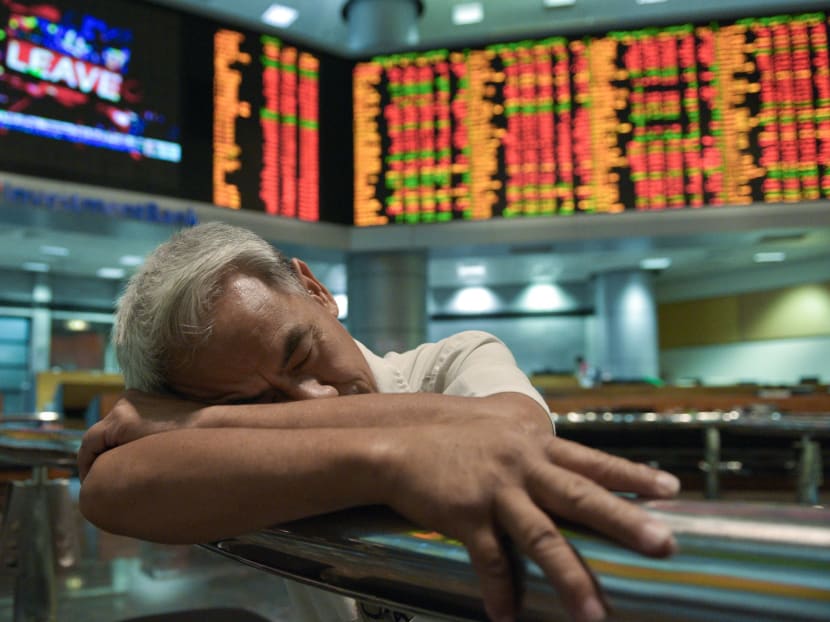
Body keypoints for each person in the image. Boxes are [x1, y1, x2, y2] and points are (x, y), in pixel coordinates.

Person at [78, 222, 680, 622]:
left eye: (302, 356)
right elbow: (108, 490)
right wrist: (390, 459)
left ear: (315, 291)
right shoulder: (221, 431)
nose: (312, 401)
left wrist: (205, 421)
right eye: (252, 405)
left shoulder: (455, 360)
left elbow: (511, 429)